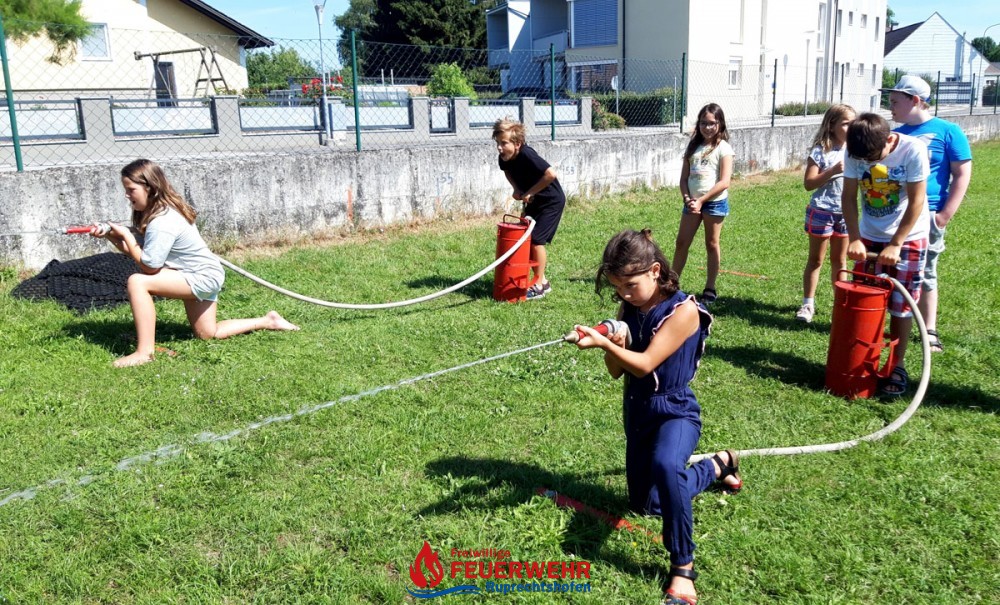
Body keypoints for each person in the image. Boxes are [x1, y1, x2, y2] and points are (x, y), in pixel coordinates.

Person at [573, 229, 742, 605]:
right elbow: (617, 371)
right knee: (647, 505)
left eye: (630, 285)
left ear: (654, 271)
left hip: (675, 412)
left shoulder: (684, 312)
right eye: (617, 287)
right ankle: (718, 465)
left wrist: (604, 342)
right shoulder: (629, 308)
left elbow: (646, 363)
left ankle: (683, 568)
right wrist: (611, 343)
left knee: (667, 466)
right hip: (638, 412)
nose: (624, 294)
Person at [92, 159, 299, 368]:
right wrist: (111, 236)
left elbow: (149, 266)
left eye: (131, 190)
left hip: (200, 276)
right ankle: (269, 320)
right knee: (207, 333)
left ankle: (144, 352)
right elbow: (140, 254)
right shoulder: (161, 213)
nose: (127, 195)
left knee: (137, 282)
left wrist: (126, 235)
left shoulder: (162, 221)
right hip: (202, 274)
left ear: (150, 188)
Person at [842, 114, 930, 397]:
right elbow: (848, 196)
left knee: (901, 306)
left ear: (889, 140)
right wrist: (855, 238)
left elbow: (917, 201)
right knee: (866, 303)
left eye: (872, 159)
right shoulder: (855, 150)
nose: (865, 163)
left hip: (909, 238)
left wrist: (896, 243)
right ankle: (862, 362)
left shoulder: (913, 150)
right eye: (861, 160)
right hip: (869, 236)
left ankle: (896, 366)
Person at [883, 75, 972, 352]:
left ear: (915, 100)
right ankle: (883, 323)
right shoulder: (895, 135)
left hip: (928, 214)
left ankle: (929, 330)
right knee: (890, 269)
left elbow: (962, 173)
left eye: (895, 102)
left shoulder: (948, 131)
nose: (890, 108)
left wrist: (944, 215)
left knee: (926, 271)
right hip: (894, 215)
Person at [493, 117, 566, 299]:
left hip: (551, 201)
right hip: (533, 201)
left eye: (504, 143)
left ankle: (539, 284)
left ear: (517, 143)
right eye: (497, 143)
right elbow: (506, 171)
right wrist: (516, 189)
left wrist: (530, 191)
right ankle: (543, 281)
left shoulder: (527, 154)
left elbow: (550, 174)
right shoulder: (505, 157)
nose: (499, 148)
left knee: (536, 240)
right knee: (525, 239)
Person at [796, 104, 856, 323]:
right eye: (846, 123)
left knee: (840, 261)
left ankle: (841, 305)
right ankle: (807, 305)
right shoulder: (821, 151)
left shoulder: (855, 150)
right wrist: (832, 171)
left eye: (853, 123)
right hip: (822, 211)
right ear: (831, 126)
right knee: (815, 260)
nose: (851, 127)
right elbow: (809, 183)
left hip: (845, 213)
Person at [672, 103, 734, 305]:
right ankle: (671, 284)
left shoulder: (724, 148)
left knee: (711, 244)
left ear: (720, 124)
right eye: (703, 123)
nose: (707, 127)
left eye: (712, 123)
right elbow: (684, 179)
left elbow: (724, 182)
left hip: (713, 203)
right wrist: (688, 199)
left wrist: (701, 200)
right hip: (692, 203)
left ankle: (710, 288)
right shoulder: (693, 147)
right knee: (682, 243)